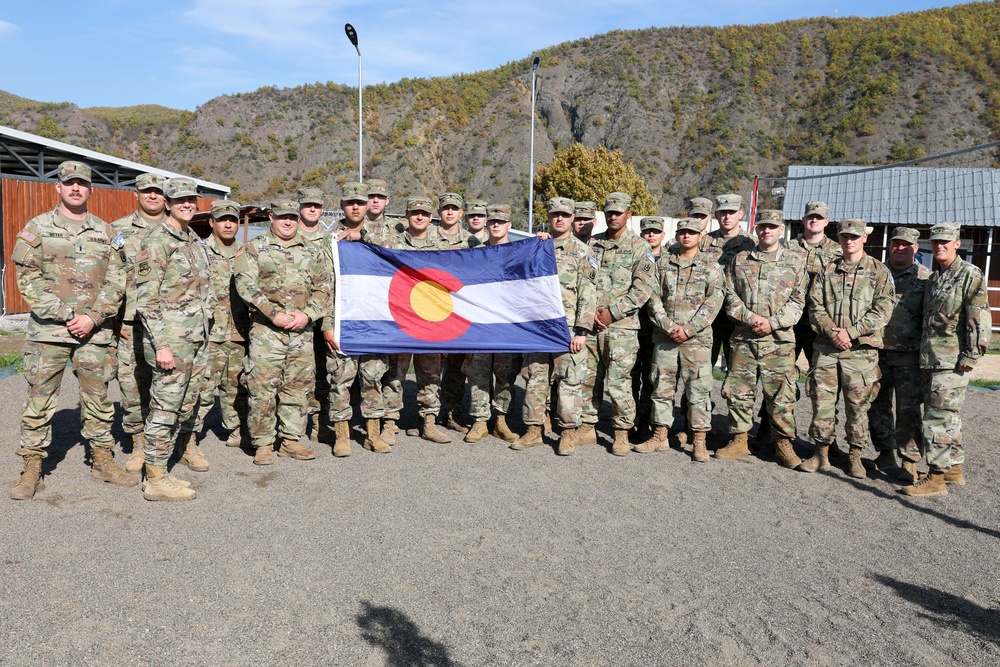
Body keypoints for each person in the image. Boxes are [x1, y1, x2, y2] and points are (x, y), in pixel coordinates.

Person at [9, 161, 133, 500]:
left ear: (91, 189)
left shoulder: (106, 232)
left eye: (82, 183)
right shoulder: (37, 228)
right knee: (39, 399)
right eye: (69, 183)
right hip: (50, 332)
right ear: (58, 188)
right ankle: (32, 467)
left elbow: (118, 280)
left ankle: (102, 461)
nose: (76, 188)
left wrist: (93, 317)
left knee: (99, 398)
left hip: (95, 332)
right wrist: (66, 314)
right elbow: (28, 278)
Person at [134, 177, 214, 501]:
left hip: (196, 340)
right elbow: (147, 300)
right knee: (164, 408)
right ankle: (154, 479)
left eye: (191, 199)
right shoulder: (157, 242)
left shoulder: (193, 238)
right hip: (171, 343)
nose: (187, 204)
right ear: (167, 203)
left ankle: (163, 470)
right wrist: (162, 346)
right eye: (179, 199)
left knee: (183, 406)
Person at [235, 199, 329, 466]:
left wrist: (307, 314)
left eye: (292, 217)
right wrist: (272, 313)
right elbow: (245, 285)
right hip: (267, 331)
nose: (288, 222)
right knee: (262, 388)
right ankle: (263, 443)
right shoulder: (254, 248)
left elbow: (324, 289)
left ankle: (290, 441)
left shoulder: (312, 250)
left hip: (301, 332)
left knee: (297, 388)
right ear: (271, 218)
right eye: (282, 217)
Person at [798, 219, 894, 478]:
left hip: (860, 353)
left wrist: (850, 333)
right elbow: (814, 307)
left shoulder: (878, 271)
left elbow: (883, 310)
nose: (849, 241)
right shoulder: (827, 270)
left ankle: (855, 456)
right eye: (844, 237)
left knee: (858, 408)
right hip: (827, 350)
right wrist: (833, 332)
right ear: (838, 239)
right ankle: (821, 454)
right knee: (822, 405)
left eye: (854, 236)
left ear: (865, 238)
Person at [901, 222, 991, 497]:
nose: (939, 246)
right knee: (949, 417)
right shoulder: (936, 277)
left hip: (953, 360)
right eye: (936, 242)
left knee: (937, 418)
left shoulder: (968, 274)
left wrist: (971, 354)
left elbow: (979, 318)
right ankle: (953, 469)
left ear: (956, 243)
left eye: (945, 242)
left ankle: (936, 478)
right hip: (932, 358)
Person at [716, 209, 807, 467]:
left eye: (772, 226)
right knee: (739, 392)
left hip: (778, 342)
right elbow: (729, 295)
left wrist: (772, 323)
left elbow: (798, 301)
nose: (766, 230)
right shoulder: (740, 259)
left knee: (781, 395)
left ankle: (783, 445)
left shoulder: (794, 261)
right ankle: (739, 439)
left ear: (781, 230)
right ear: (756, 230)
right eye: (762, 226)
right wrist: (749, 318)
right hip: (744, 338)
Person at [754, 201, 844, 455]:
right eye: (810, 217)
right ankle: (766, 430)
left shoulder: (837, 252)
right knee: (778, 380)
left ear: (827, 222)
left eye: (819, 218)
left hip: (820, 327)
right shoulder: (788, 249)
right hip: (787, 325)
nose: (814, 221)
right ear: (803, 221)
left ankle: (827, 440)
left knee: (824, 385)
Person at [635, 218, 724, 461]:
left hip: (697, 341)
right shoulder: (662, 264)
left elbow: (714, 302)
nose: (686, 236)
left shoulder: (711, 266)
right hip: (665, 338)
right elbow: (653, 298)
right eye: (682, 232)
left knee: (698, 390)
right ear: (676, 235)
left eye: (691, 233)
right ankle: (660, 436)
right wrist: (668, 325)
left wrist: (689, 329)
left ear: (699, 236)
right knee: (661, 388)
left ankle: (699, 442)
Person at [579, 192, 657, 456]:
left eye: (618, 212)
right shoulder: (593, 243)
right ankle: (588, 426)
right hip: (591, 325)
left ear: (628, 214)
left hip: (622, 327)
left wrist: (612, 313)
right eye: (609, 211)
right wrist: (589, 314)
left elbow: (642, 289)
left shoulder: (639, 247)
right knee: (589, 378)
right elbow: (584, 282)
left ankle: (622, 432)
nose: (613, 216)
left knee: (620, 382)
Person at [321, 183, 391, 456]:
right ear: (342, 205)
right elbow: (323, 284)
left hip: (375, 321)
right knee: (340, 379)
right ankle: (342, 435)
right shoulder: (329, 238)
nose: (355, 207)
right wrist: (327, 325)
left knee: (373, 378)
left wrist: (362, 236)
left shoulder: (383, 235)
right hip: (343, 321)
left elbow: (397, 261)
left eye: (360, 203)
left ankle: (373, 434)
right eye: (350, 202)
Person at [380, 197, 453, 443]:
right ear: (406, 215)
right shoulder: (392, 244)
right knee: (395, 374)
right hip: (400, 320)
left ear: (431, 216)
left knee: (431, 374)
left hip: (431, 320)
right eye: (414, 213)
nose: (419, 217)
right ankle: (389, 423)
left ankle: (428, 422)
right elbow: (370, 251)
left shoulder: (443, 247)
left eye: (424, 213)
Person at [110, 173, 167, 475]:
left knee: (172, 385)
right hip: (130, 322)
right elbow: (109, 276)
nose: (153, 196)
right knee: (132, 385)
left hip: (169, 324)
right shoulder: (118, 231)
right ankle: (139, 442)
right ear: (137, 194)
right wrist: (115, 316)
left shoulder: (177, 230)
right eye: (148, 191)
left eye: (158, 191)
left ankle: (182, 441)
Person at [868, 227, 930, 483]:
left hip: (909, 355)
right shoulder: (876, 273)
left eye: (906, 245)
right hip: (876, 350)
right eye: (896, 244)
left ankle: (910, 461)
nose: (900, 248)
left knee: (908, 411)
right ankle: (885, 452)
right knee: (876, 405)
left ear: (915, 248)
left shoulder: (926, 278)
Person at [194, 200, 249, 453]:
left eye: (233, 220)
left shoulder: (247, 253)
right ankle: (190, 436)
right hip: (209, 334)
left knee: (236, 386)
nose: (228, 224)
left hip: (239, 331)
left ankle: (236, 429)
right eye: (223, 219)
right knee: (203, 388)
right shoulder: (199, 251)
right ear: (211, 222)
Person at [465, 204, 522, 444]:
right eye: (492, 222)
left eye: (501, 221)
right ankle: (479, 421)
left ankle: (500, 419)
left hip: (507, 326)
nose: (496, 225)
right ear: (487, 225)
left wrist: (542, 240)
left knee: (505, 374)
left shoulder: (520, 252)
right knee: (478, 373)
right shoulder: (476, 252)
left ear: (509, 225)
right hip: (480, 325)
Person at [436, 192, 480, 432]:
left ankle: (452, 412)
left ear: (461, 213)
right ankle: (427, 416)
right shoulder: (428, 239)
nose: (450, 212)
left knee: (456, 366)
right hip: (431, 310)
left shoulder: (472, 243)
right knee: (430, 366)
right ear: (439, 212)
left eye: (454, 209)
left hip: (459, 313)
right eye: (446, 208)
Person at [701, 194, 756, 370]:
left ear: (740, 214)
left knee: (738, 370)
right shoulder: (704, 242)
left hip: (739, 318)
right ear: (716, 215)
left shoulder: (751, 244)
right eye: (722, 212)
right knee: (702, 368)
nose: (726, 217)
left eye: (731, 212)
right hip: (709, 316)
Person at [296, 186, 332, 443]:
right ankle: (291, 430)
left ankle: (319, 422)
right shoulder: (286, 233)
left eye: (317, 206)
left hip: (322, 318)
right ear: (300, 207)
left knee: (322, 372)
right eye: (308, 205)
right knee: (296, 376)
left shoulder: (331, 240)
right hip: (295, 319)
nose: (312, 209)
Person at [632, 216, 667, 440]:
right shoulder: (636, 255)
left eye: (655, 231)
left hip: (658, 330)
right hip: (634, 326)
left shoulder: (669, 259)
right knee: (632, 378)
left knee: (654, 379)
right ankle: (631, 421)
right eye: (646, 231)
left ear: (663, 235)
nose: (651, 235)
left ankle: (647, 423)